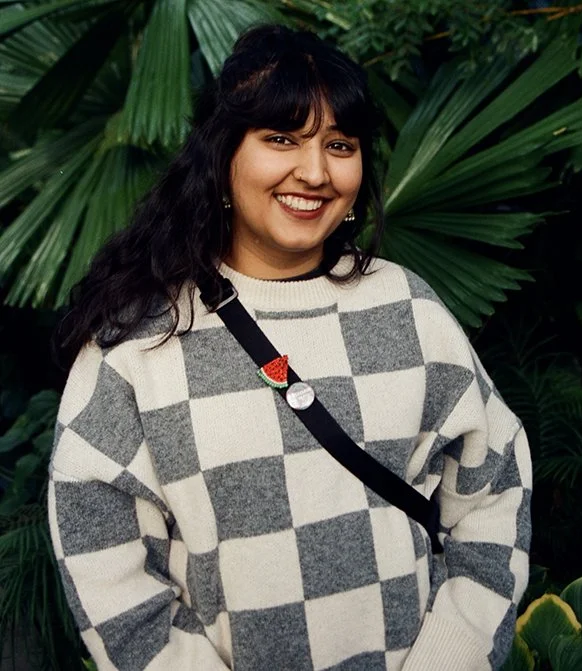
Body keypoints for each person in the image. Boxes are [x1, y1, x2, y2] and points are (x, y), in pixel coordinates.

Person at [48, 24, 532, 671]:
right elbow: (105, 566)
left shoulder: (409, 308)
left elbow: (495, 492)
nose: (315, 172)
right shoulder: (139, 344)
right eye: (281, 138)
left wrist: (449, 658)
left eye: (340, 144)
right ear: (222, 155)